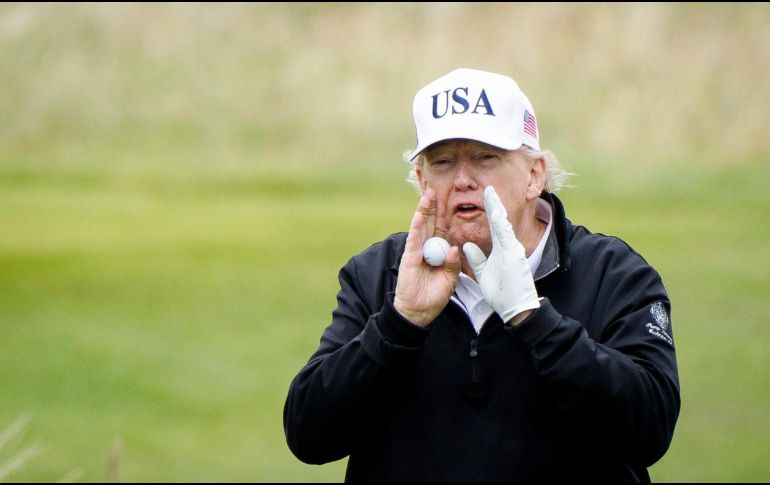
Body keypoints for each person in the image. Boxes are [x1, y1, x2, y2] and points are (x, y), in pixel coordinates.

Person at [283, 68, 680, 482]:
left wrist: (534, 320)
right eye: (443, 161)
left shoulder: (613, 274)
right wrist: (398, 326)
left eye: (486, 158)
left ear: (535, 175)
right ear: (422, 181)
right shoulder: (379, 274)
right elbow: (309, 434)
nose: (463, 180)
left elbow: (650, 429)